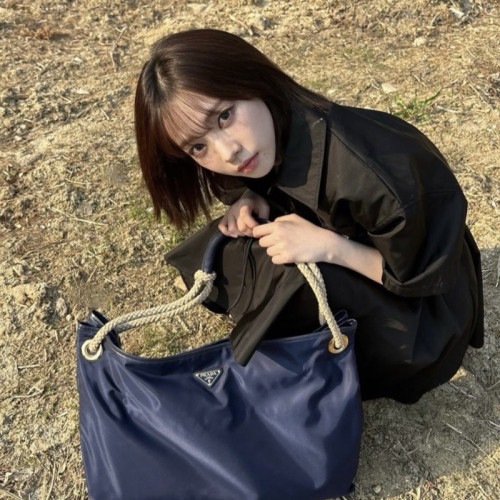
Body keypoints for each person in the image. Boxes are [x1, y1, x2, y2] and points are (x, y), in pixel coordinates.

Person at [134, 28, 484, 404]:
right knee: (230, 247)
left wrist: (330, 247)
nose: (228, 153)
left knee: (292, 279)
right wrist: (253, 195)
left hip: (423, 316)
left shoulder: (375, 173)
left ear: (251, 79)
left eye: (224, 116)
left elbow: (418, 276)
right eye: (198, 146)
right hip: (358, 252)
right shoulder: (266, 133)